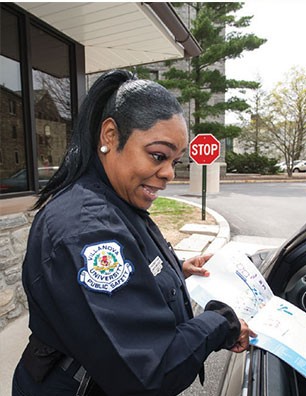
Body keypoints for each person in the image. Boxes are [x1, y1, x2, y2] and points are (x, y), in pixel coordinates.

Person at [13, 70, 253, 396]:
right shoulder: (88, 231)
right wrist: (220, 322)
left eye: (174, 160)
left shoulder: (115, 199)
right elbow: (149, 373)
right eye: (158, 155)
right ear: (111, 135)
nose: (168, 173)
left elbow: (129, 265)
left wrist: (174, 268)